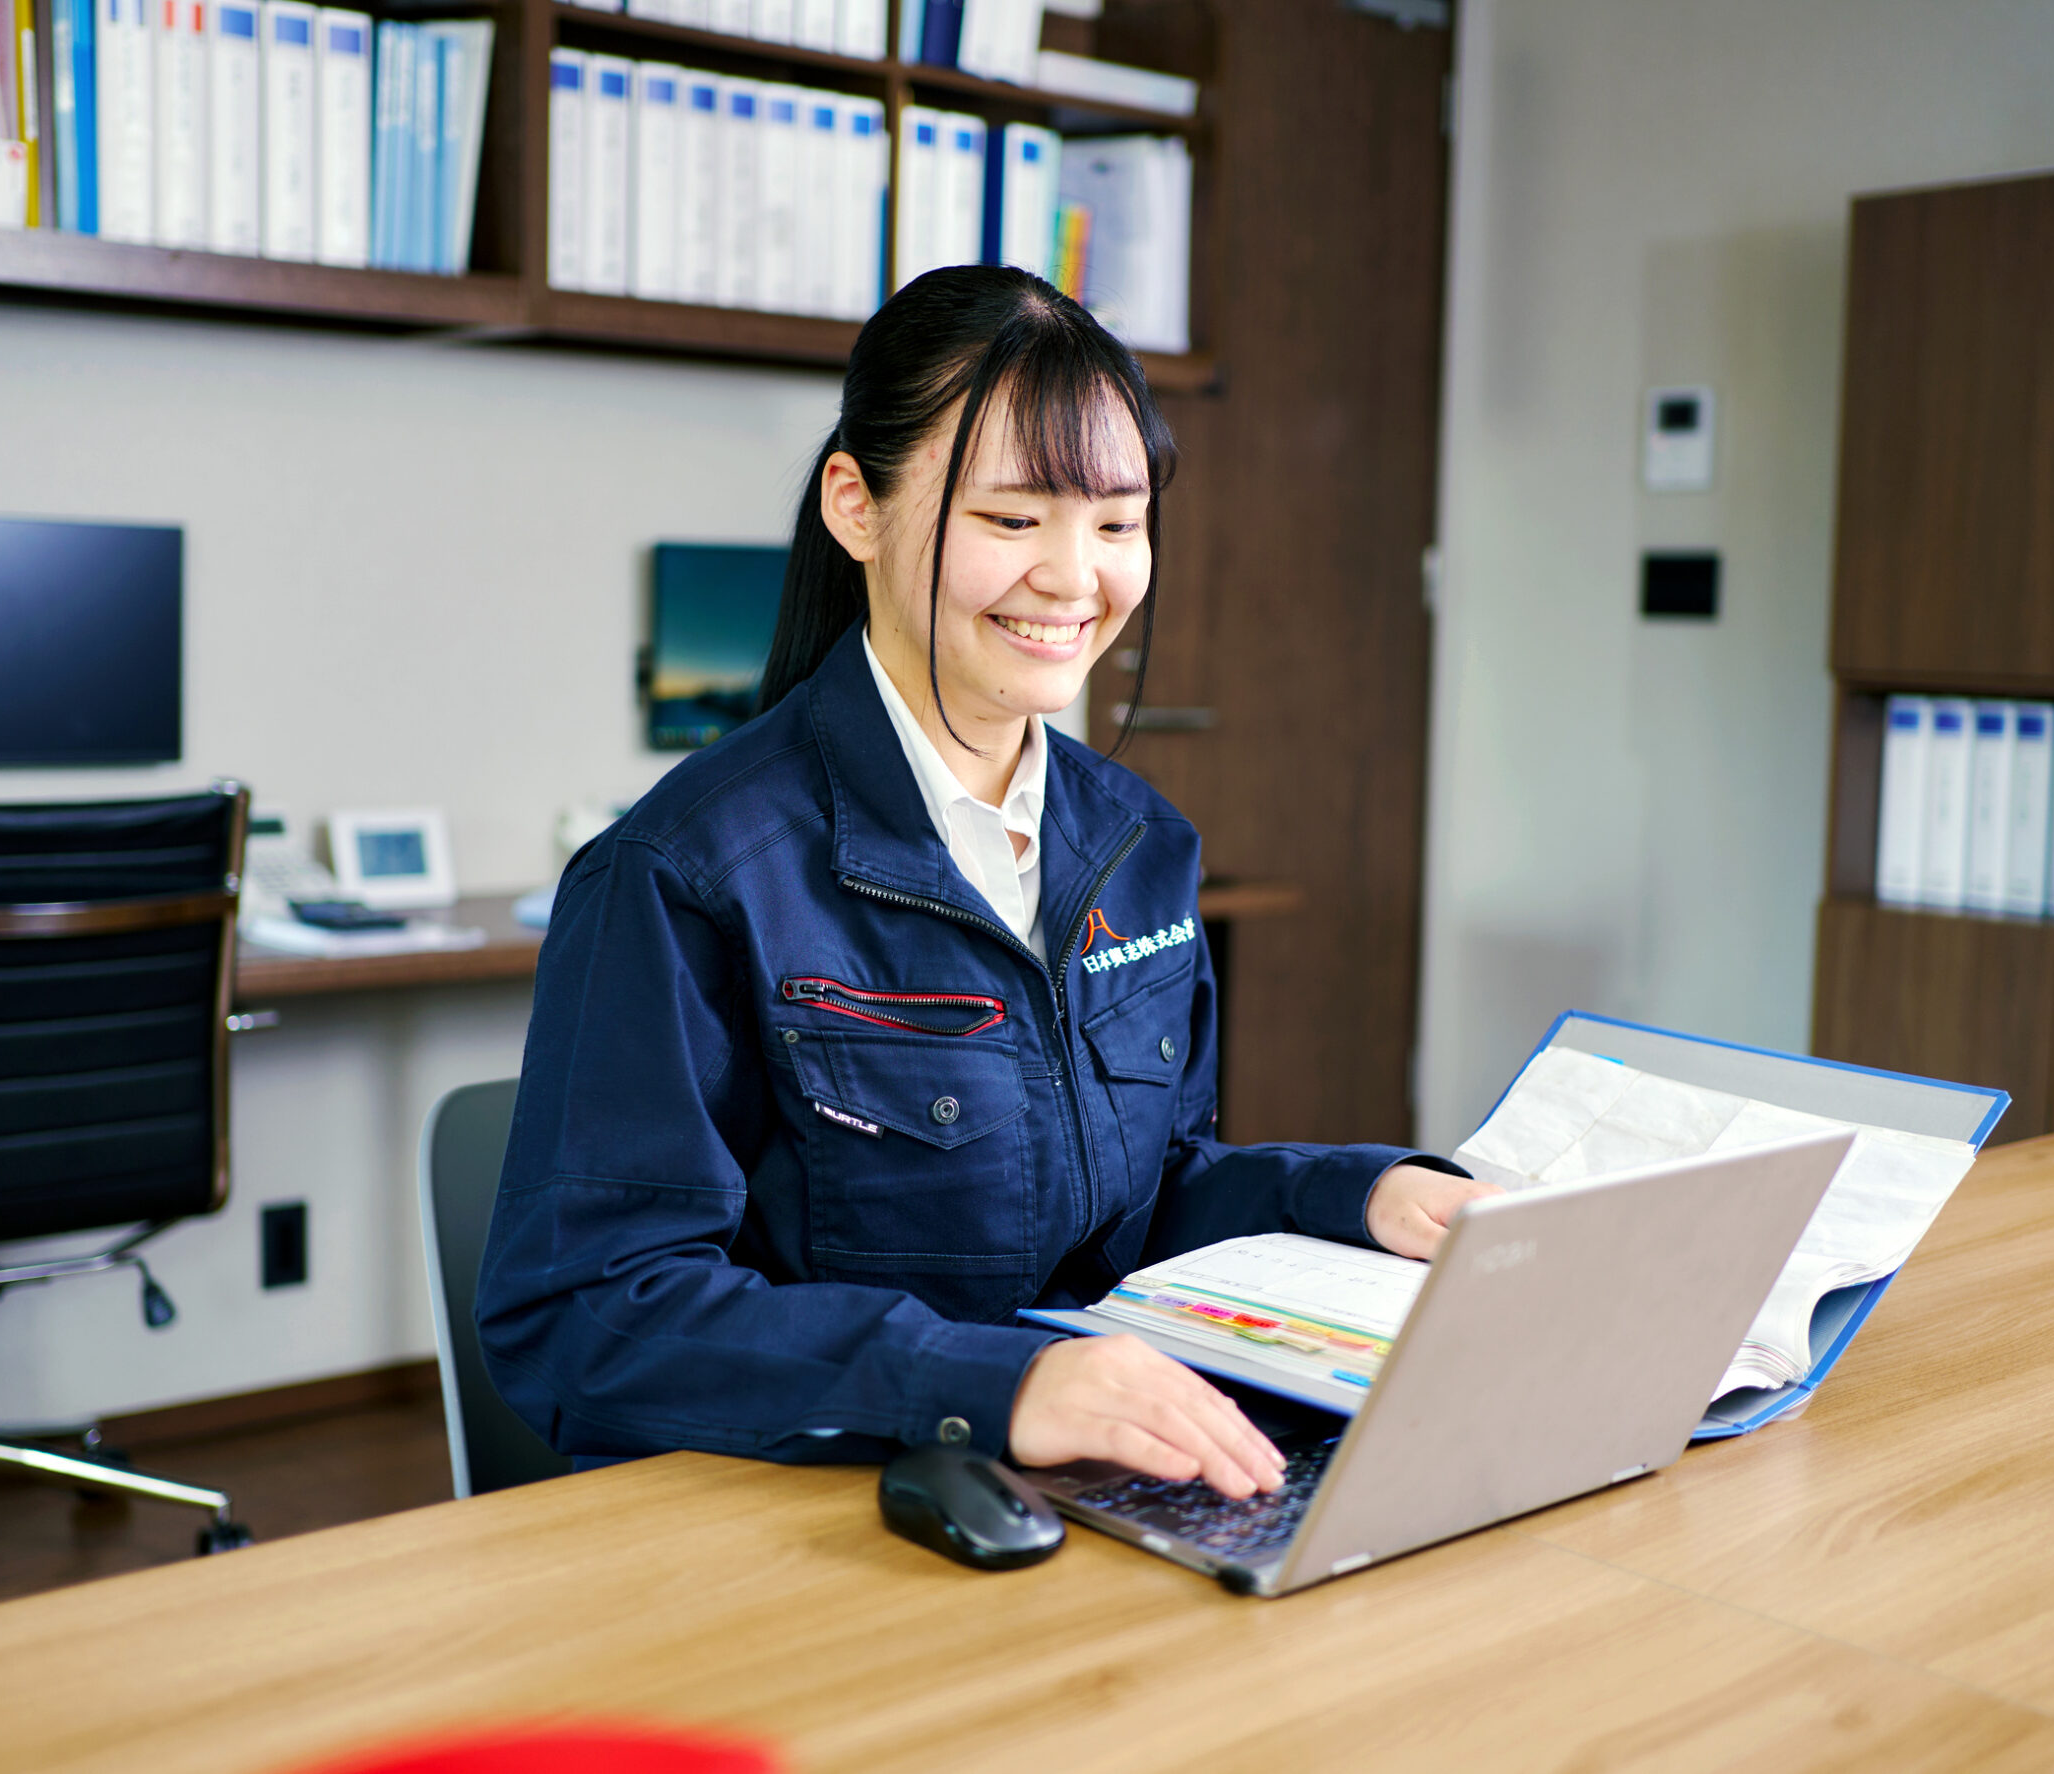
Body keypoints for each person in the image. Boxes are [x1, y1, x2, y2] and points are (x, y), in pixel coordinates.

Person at [476, 266, 1498, 1499]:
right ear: (855, 504)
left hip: (1086, 1488)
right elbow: (587, 1316)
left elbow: (1140, 1199)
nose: (1076, 579)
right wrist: (992, 1383)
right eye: (1014, 519)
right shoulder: (681, 873)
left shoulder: (1140, 843)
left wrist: (1359, 1190)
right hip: (825, 1508)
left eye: (1117, 524)